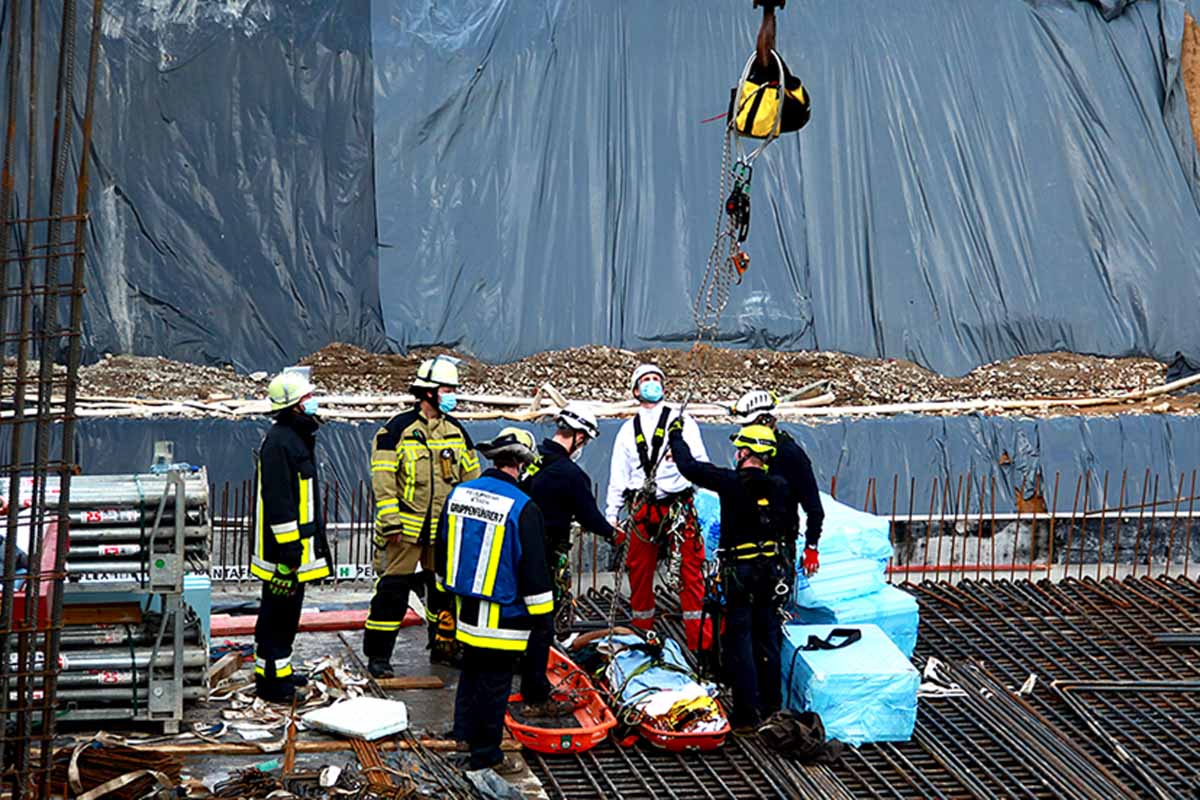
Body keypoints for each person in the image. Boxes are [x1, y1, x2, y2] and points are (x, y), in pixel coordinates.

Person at [436, 427, 553, 774]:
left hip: (465, 608)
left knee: (471, 672)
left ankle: (463, 735)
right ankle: (485, 756)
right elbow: (533, 567)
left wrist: (445, 594)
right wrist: (542, 617)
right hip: (505, 613)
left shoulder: (459, 494)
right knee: (494, 682)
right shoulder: (523, 506)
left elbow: (441, 549)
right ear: (520, 465)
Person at [667, 420, 797, 731]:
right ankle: (772, 707)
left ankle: (744, 715)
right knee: (767, 637)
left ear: (746, 451)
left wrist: (674, 435)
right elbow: (791, 530)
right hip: (771, 573)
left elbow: (689, 467)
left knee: (740, 640)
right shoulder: (780, 486)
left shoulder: (730, 482)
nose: (736, 453)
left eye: (740, 448)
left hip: (739, 572)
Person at [364, 355, 480, 676]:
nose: (452, 395)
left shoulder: (457, 432)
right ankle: (378, 656)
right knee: (392, 592)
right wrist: (390, 523)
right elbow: (384, 482)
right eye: (447, 389)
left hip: (442, 533)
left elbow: (471, 482)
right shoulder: (397, 431)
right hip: (404, 533)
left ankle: (443, 648)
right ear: (428, 392)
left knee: (443, 593)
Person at [605, 364, 711, 653]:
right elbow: (619, 474)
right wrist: (611, 515)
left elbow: (700, 463)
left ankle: (700, 644)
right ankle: (643, 634)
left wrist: (706, 501)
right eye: (646, 380)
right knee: (639, 570)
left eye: (656, 379)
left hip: (678, 506)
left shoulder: (683, 422)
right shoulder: (628, 431)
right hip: (644, 506)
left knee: (690, 572)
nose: (652, 384)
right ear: (636, 390)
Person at [518, 402, 615, 716]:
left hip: (516, 551)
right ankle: (535, 693)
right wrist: (615, 535)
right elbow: (590, 517)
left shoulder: (533, 462)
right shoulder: (571, 474)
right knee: (543, 623)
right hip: (545, 555)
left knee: (521, 618)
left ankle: (521, 671)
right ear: (579, 437)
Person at [252, 371, 332, 703]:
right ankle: (271, 683)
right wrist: (288, 551)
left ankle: (280, 671)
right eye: (307, 398)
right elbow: (280, 502)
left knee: (287, 616)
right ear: (293, 406)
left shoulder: (295, 438)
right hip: (283, 553)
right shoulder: (280, 443)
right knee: (276, 617)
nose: (312, 402)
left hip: (293, 550)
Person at [733, 389, 823, 576]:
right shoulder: (746, 449)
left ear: (765, 421)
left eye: (748, 425)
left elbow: (813, 507)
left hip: (777, 548)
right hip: (744, 545)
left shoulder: (790, 455)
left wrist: (811, 547)